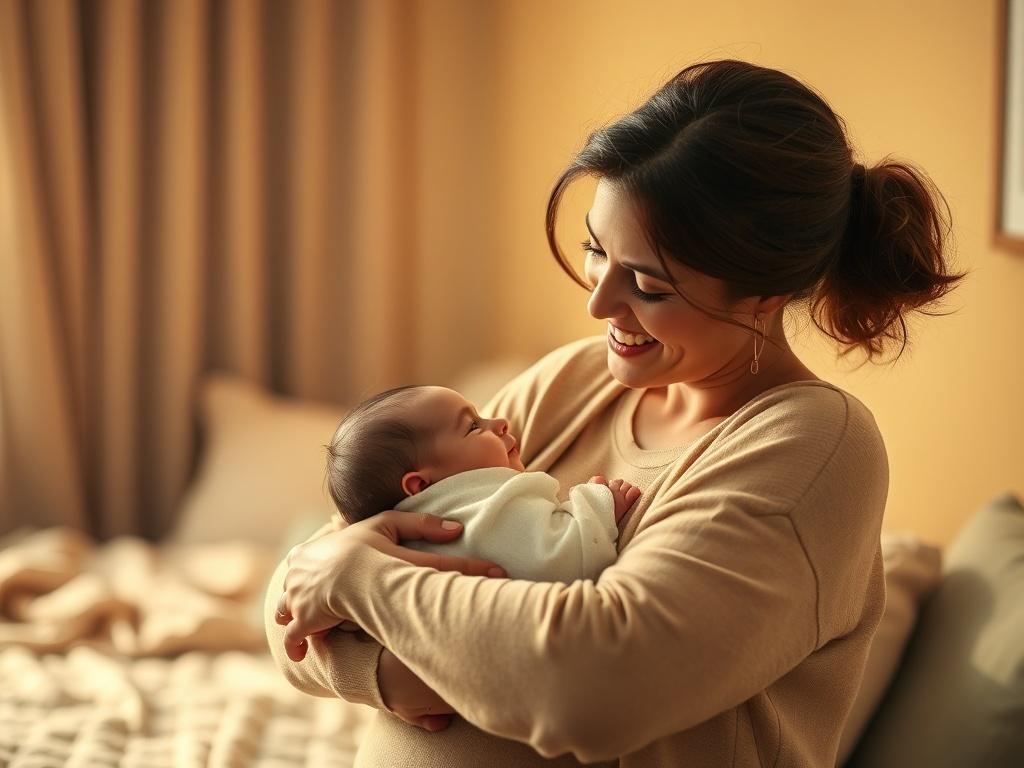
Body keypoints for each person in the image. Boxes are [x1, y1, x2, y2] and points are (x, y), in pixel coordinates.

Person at [265, 59, 965, 767]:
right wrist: (400, 667)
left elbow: (589, 690)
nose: (598, 303)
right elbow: (292, 598)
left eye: (649, 284)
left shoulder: (812, 444)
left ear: (764, 294)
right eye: (596, 251)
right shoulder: (574, 381)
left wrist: (364, 585)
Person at [323, 384, 642, 581]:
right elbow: (565, 561)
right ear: (420, 486)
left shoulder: (381, 544)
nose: (501, 422)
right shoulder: (481, 512)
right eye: (473, 427)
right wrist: (597, 505)